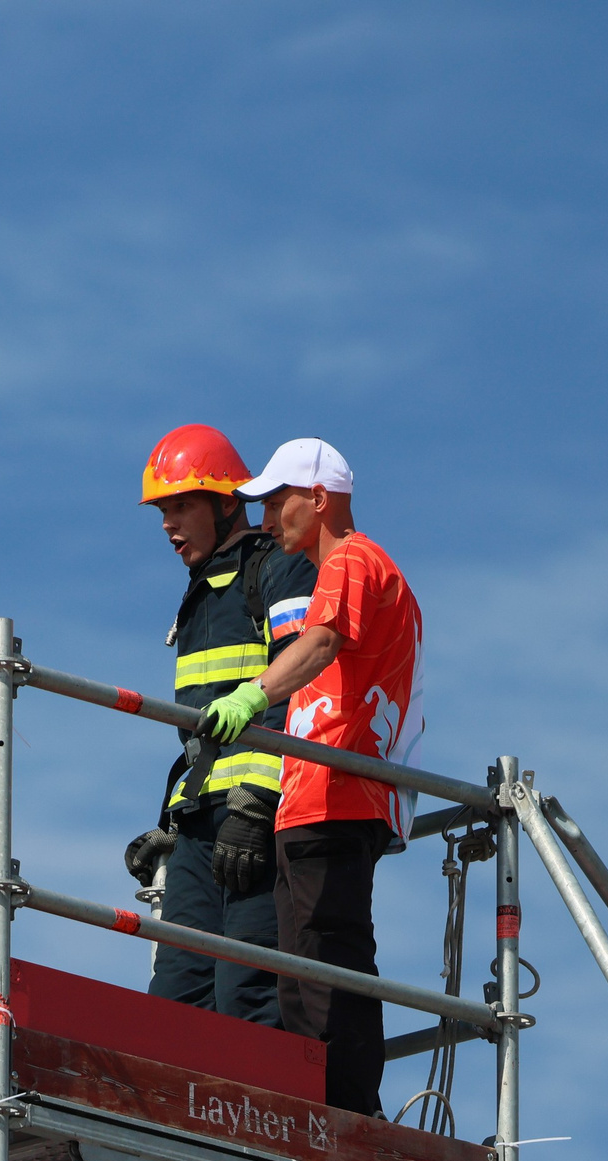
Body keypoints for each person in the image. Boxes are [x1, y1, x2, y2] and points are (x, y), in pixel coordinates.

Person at [198, 439, 422, 1115]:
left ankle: (347, 1115)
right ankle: (318, 1111)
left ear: (319, 498)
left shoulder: (352, 559)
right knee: (301, 973)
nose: (266, 520)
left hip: (337, 798)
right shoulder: (360, 568)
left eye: (277, 502)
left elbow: (321, 641)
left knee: (326, 965)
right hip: (315, 801)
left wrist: (251, 694)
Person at [122, 425, 318, 1026]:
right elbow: (203, 729)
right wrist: (174, 817)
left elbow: (301, 689)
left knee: (248, 995)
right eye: (162, 511)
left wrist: (255, 803)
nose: (168, 524)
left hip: (261, 814)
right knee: (176, 999)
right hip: (201, 821)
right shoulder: (202, 592)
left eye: (181, 506)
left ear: (227, 502)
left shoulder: (278, 569)